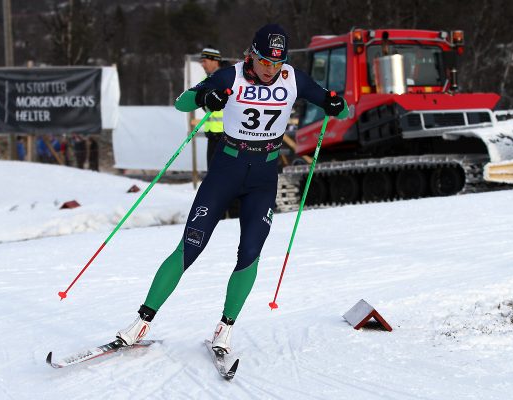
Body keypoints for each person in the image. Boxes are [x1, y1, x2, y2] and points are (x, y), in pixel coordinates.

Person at [116, 24, 348, 354]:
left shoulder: (293, 79)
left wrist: (337, 106)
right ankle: (141, 321)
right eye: (265, 61)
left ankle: (225, 328)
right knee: (190, 246)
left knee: (250, 252)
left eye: (277, 63)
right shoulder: (230, 76)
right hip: (226, 170)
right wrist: (204, 97)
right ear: (251, 54)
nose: (271, 69)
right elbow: (182, 103)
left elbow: (338, 105)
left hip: (264, 176)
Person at [199, 46, 225, 170]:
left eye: (205, 61)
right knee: (212, 173)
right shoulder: (207, 81)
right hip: (212, 135)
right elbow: (205, 106)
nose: (202, 65)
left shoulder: (226, 78)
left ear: (215, 60)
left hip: (226, 136)